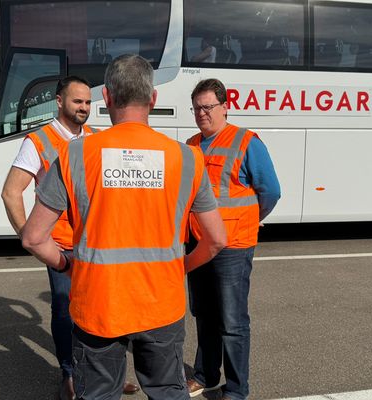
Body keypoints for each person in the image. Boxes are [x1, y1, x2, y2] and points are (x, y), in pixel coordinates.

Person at [21, 54, 227, 400]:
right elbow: (217, 240)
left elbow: (32, 237)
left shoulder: (74, 155)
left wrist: (70, 266)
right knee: (166, 392)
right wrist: (181, 267)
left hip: (98, 304)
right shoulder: (187, 158)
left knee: (99, 393)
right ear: (153, 99)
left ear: (107, 99)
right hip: (161, 302)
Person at [1, 75, 139, 399]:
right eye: (77, 101)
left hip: (97, 244)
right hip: (62, 246)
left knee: (103, 312)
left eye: (88, 102)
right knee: (66, 313)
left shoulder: (95, 137)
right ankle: (71, 376)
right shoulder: (38, 142)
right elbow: (11, 193)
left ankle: (106, 376)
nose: (84, 108)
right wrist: (31, 238)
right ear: (59, 101)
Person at [185, 78, 281, 400]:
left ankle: (237, 390)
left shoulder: (246, 142)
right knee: (204, 314)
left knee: (233, 321)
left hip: (232, 246)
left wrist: (251, 219)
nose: (202, 113)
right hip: (198, 245)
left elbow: (271, 191)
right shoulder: (191, 145)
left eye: (208, 107)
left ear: (225, 106)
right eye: (197, 108)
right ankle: (206, 375)